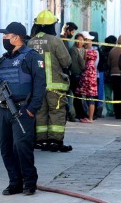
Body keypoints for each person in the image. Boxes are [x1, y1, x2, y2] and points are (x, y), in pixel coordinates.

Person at [0, 22, 46, 196]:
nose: (4, 38)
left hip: (22, 110)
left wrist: (32, 109)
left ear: (16, 38)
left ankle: (29, 183)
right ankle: (15, 182)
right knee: (5, 148)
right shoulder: (4, 59)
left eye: (7, 35)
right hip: (4, 110)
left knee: (22, 147)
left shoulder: (32, 57)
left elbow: (40, 85)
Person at [27, 10, 72, 152]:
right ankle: (55, 141)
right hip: (55, 85)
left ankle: (42, 141)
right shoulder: (55, 41)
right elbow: (66, 61)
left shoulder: (31, 42)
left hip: (37, 87)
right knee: (57, 111)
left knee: (40, 112)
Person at [76, 31, 98, 123]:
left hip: (86, 75)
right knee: (90, 97)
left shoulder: (85, 52)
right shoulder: (95, 52)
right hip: (92, 75)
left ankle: (89, 117)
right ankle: (90, 117)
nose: (90, 42)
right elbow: (96, 64)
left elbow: (83, 63)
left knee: (86, 97)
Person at [107, 34, 121, 119]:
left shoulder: (112, 50)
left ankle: (117, 113)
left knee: (116, 94)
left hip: (113, 75)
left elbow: (108, 63)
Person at [69, 33, 86, 121]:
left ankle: (82, 114)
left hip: (83, 76)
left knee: (81, 96)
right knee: (77, 95)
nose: (80, 42)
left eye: (82, 40)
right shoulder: (73, 50)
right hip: (76, 75)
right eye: (78, 40)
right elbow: (75, 65)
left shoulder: (83, 50)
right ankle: (79, 115)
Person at [102, 35, 117, 117]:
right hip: (110, 75)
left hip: (109, 75)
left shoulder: (103, 50)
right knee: (111, 94)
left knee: (108, 94)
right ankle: (111, 110)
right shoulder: (104, 51)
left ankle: (110, 110)